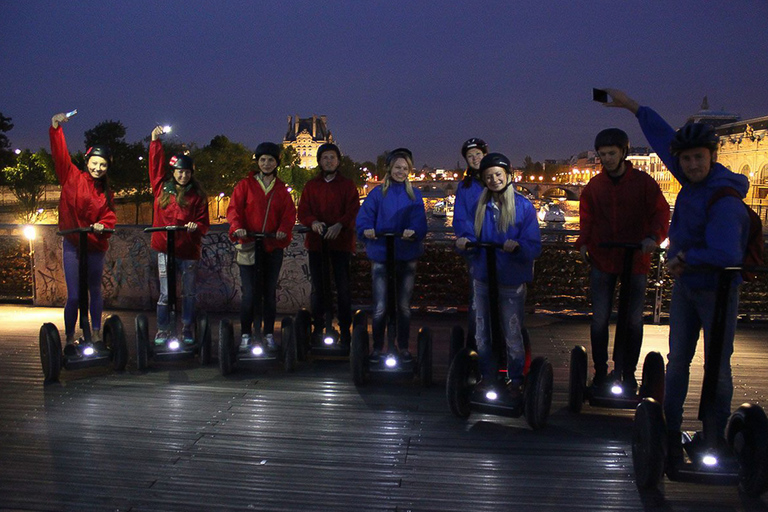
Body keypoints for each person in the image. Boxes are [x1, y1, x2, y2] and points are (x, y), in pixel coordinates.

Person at [604, 88, 750, 465]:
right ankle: (669, 427)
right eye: (686, 159)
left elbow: (726, 253)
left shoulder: (725, 198)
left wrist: (683, 256)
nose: (691, 165)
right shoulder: (690, 181)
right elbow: (664, 138)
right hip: (687, 287)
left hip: (716, 292)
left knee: (717, 366)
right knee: (678, 359)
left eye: (698, 158)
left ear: (711, 157)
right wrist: (633, 107)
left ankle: (714, 433)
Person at [574, 128, 669, 390]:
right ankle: (601, 370)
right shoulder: (595, 186)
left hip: (635, 259)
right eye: (603, 154)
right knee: (600, 318)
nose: (607, 159)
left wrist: (653, 237)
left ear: (623, 153)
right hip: (604, 258)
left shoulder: (644, 183)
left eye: (611, 153)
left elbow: (660, 214)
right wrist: (583, 243)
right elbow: (587, 218)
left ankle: (627, 370)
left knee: (633, 320)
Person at [456, 153, 542, 399]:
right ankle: (488, 376)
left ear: (508, 176)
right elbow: (466, 231)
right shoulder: (478, 207)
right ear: (483, 180)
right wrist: (464, 242)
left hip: (510, 280)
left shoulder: (523, 206)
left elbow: (534, 244)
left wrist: (518, 246)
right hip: (483, 277)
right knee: (482, 332)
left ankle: (515, 379)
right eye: (489, 176)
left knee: (511, 331)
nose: (494, 180)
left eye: (498, 175)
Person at [49, 112, 117, 351]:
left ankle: (96, 334)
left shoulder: (106, 192)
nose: (98, 168)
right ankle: (69, 338)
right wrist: (56, 127)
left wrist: (102, 225)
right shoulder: (71, 177)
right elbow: (60, 155)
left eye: (103, 165)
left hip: (95, 245)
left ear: (107, 167)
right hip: (73, 244)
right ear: (87, 162)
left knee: (95, 290)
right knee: (75, 295)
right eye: (94, 163)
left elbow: (109, 216)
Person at [356, 148, 428, 363]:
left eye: (405, 168)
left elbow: (419, 221)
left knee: (404, 307)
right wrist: (366, 228)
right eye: (397, 167)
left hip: (405, 255)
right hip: (381, 254)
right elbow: (364, 216)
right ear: (389, 168)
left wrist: (413, 231)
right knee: (380, 307)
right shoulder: (377, 194)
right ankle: (378, 347)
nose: (401, 172)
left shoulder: (414, 195)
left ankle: (403, 346)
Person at [227, 142, 296, 350]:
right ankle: (247, 333)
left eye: (271, 160)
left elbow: (289, 214)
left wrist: (283, 229)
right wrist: (238, 227)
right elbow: (234, 210)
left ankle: (267, 334)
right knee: (249, 293)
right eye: (263, 160)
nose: (266, 163)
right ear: (257, 162)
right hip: (249, 245)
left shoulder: (281, 190)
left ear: (277, 163)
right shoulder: (244, 186)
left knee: (269, 292)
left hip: (272, 246)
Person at [149, 125, 210, 345]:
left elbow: (205, 222)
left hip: (188, 250)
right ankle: (164, 329)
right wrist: (155, 142)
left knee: (189, 293)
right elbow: (154, 168)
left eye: (186, 172)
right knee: (166, 293)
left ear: (191, 174)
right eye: (179, 172)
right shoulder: (161, 189)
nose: (183, 175)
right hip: (165, 249)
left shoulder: (198, 195)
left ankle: (186, 327)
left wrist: (196, 226)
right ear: (173, 173)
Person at [297, 143, 360, 345]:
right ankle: (319, 326)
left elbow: (353, 210)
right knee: (318, 288)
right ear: (319, 161)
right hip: (317, 244)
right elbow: (303, 211)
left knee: (342, 288)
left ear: (338, 161)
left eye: (332, 157)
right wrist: (313, 222)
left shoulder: (347, 185)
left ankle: (344, 328)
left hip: (340, 244)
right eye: (325, 158)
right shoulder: (311, 186)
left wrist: (340, 225)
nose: (329, 161)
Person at [454, 138, 489, 346]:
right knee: (477, 297)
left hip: (499, 248)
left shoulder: (496, 180)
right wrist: (468, 239)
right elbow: (461, 216)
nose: (475, 159)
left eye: (478, 154)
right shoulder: (464, 187)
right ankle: (475, 342)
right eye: (470, 156)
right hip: (476, 248)